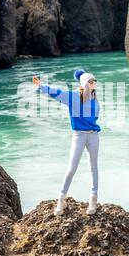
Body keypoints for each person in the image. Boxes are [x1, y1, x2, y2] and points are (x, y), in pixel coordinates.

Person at [32, 69, 101, 216]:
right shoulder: (73, 97)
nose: (94, 83)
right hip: (79, 136)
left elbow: (94, 119)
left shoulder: (95, 100)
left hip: (94, 136)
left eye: (94, 80)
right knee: (72, 168)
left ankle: (93, 200)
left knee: (93, 167)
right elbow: (56, 93)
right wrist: (41, 86)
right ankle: (61, 200)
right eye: (91, 81)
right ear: (85, 84)